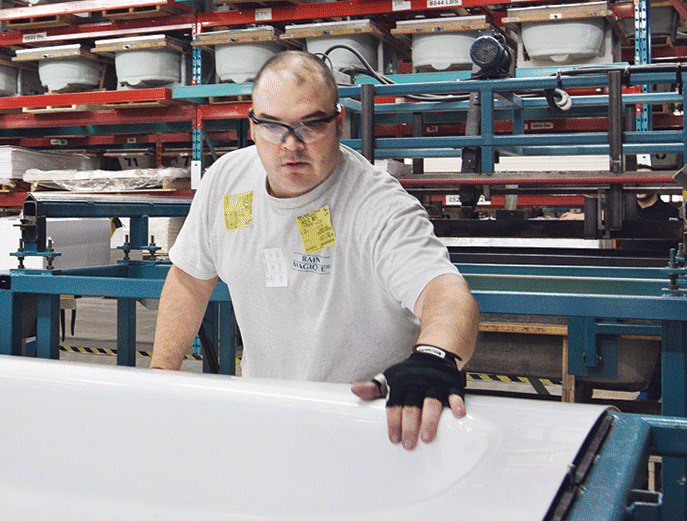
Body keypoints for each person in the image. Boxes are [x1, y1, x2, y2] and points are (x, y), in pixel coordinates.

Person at [150, 50, 479, 450]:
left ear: (339, 122)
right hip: (265, 418)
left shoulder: (377, 206)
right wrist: (161, 378)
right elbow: (189, 280)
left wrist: (435, 356)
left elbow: (444, 292)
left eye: (310, 125)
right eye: (273, 126)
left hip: (367, 428)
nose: (291, 144)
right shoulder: (228, 183)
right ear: (252, 126)